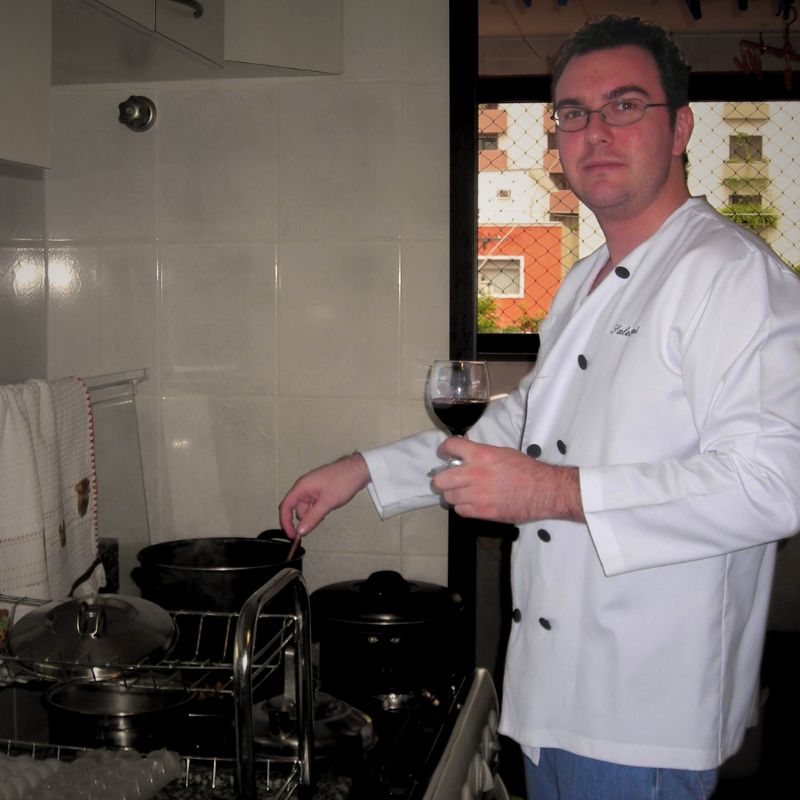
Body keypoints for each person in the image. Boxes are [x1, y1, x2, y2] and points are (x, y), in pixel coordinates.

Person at [279, 15, 800, 800]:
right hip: (554, 698)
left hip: (642, 719)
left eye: (625, 106)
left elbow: (774, 484)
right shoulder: (585, 281)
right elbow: (518, 428)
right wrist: (360, 471)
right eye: (573, 113)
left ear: (682, 125)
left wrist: (552, 492)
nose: (596, 131)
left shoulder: (731, 274)